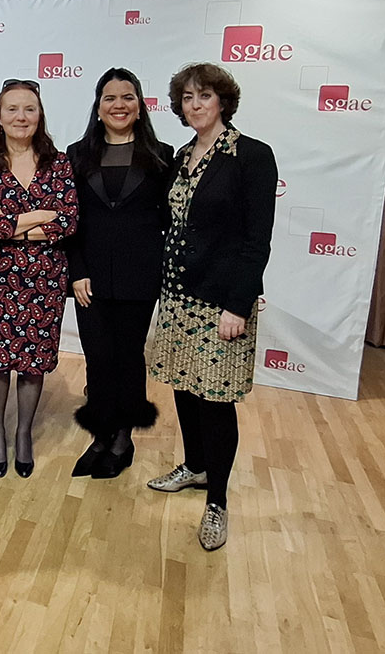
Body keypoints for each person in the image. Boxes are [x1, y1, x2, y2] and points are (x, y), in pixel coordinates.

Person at [147, 62, 277, 551]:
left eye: (204, 96)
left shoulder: (252, 156)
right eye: (186, 98)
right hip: (179, 295)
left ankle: (217, 501)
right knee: (184, 385)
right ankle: (196, 466)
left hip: (221, 303)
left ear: (223, 100)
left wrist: (238, 304)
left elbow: (255, 239)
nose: (195, 104)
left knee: (216, 402)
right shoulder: (182, 156)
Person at [66, 69, 173, 479]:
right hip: (88, 277)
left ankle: (122, 440)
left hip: (139, 276)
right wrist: (76, 271)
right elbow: (69, 221)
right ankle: (100, 434)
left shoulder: (163, 156)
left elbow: (169, 218)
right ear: (98, 107)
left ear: (140, 104)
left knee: (128, 358)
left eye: (127, 97)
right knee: (97, 357)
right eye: (109, 98)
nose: (119, 105)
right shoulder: (76, 155)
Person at [0, 79, 78, 479]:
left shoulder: (60, 164)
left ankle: (23, 433)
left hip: (45, 279)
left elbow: (68, 222)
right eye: (12, 109)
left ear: (40, 115)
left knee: (33, 362)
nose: (21, 116)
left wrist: (13, 222)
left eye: (29, 109)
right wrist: (39, 215)